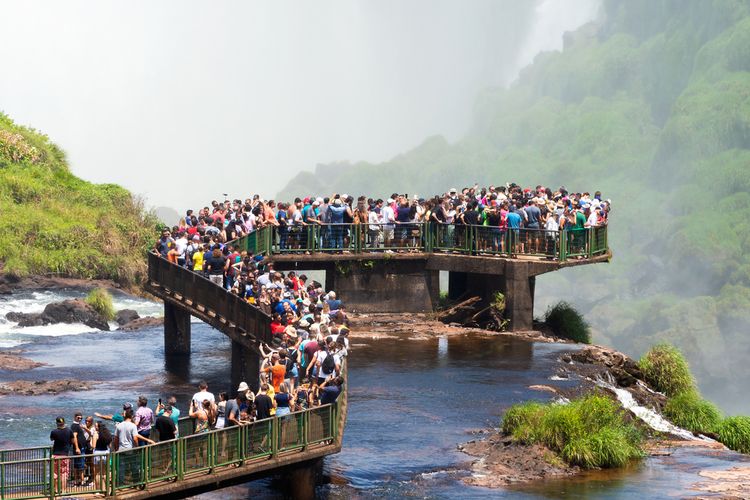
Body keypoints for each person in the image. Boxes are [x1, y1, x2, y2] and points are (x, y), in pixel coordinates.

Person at [51, 416, 73, 494]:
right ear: (64, 422)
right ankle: (63, 490)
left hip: (55, 455)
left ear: (57, 423)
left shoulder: (54, 431)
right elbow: (72, 440)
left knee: (55, 473)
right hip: (64, 455)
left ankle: (55, 490)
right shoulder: (69, 431)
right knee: (64, 474)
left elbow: (52, 439)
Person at [70, 411, 89, 486]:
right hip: (79, 448)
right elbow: (74, 436)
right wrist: (77, 448)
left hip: (82, 448)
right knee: (79, 465)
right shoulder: (74, 426)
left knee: (80, 465)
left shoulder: (78, 425)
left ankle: (79, 481)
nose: (80, 419)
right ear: (75, 417)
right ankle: (81, 481)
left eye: (81, 418)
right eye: (78, 418)